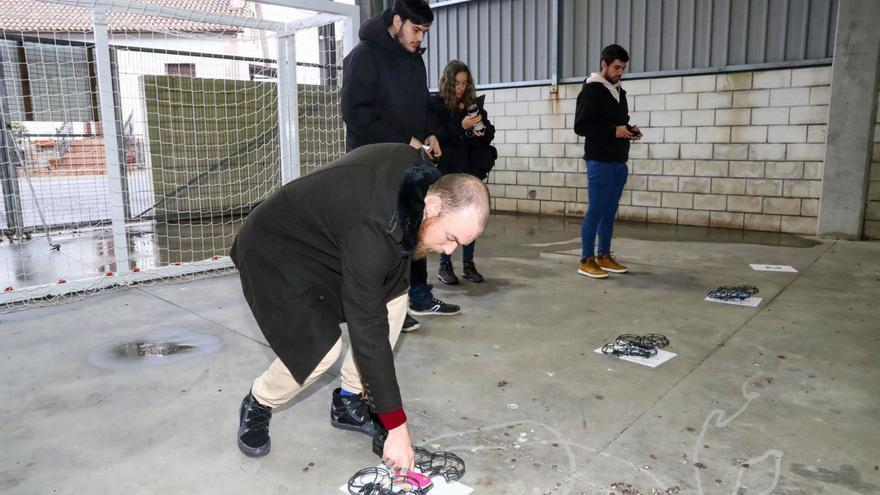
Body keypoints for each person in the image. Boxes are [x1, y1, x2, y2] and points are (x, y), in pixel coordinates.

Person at [232, 143, 490, 473]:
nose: (449, 251)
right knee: (319, 350)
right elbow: (367, 327)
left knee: (396, 299)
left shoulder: (419, 183)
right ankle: (259, 401)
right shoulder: (373, 227)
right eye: (451, 238)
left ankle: (348, 400)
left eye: (459, 245)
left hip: (328, 239)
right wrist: (396, 426)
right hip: (274, 248)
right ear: (434, 204)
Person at [341, 0, 458, 332]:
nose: (420, 38)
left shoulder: (413, 61)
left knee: (406, 240)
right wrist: (405, 139)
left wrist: (430, 133)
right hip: (371, 167)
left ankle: (404, 304)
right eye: (416, 30)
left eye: (424, 32)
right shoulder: (363, 56)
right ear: (396, 21)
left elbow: (422, 107)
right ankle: (374, 310)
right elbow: (355, 113)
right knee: (378, 243)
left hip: (407, 166)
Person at [573, 44, 641, 279]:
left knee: (610, 210)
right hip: (599, 159)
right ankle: (586, 259)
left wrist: (630, 130)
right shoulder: (591, 90)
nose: (620, 72)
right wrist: (615, 132)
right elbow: (581, 126)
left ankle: (603, 255)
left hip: (619, 159)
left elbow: (620, 121)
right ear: (604, 64)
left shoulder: (620, 92)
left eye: (623, 68)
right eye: (616, 67)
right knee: (596, 209)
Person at [429, 60, 496, 285]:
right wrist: (462, 126)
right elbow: (437, 134)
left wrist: (482, 130)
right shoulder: (437, 105)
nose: (461, 88)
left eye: (465, 83)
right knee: (447, 217)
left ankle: (468, 264)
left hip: (471, 167)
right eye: (457, 83)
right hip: (448, 168)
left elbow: (489, 132)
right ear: (448, 83)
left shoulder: (473, 105)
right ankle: (444, 266)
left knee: (473, 215)